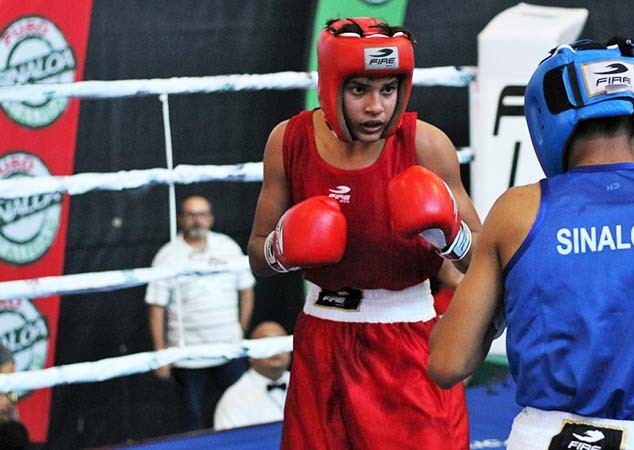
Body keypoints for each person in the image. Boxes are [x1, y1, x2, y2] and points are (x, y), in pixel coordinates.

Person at [428, 37, 634, 450]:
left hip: (549, 437)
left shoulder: (518, 212)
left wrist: (495, 302)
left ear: (545, 117)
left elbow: (447, 364)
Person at [247, 17, 481, 450]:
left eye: (388, 90)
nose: (377, 107)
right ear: (330, 85)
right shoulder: (288, 141)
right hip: (321, 339)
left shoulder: (426, 145)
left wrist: (450, 236)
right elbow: (258, 257)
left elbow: (481, 261)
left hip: (406, 341)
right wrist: (282, 247)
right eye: (359, 90)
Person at [146, 194, 255, 431]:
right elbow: (156, 306)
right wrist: (160, 352)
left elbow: (246, 288)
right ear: (181, 219)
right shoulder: (167, 255)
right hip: (187, 354)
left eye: (202, 214)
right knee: (192, 422)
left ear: (211, 218)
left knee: (240, 414)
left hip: (229, 348)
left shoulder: (228, 247)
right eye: (191, 215)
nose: (198, 220)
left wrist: (241, 329)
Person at [213, 321, 291, 430]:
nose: (276, 350)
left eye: (281, 343)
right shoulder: (235, 397)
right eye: (267, 344)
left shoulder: (307, 384)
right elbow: (230, 439)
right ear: (250, 354)